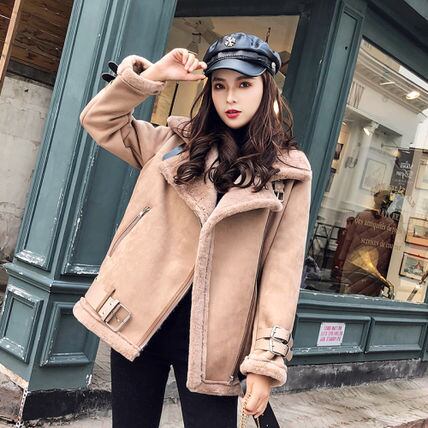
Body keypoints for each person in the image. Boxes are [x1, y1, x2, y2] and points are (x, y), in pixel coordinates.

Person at [73, 32, 312, 427]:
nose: (230, 97)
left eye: (244, 84)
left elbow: (281, 273)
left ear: (267, 89)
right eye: (220, 85)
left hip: (216, 341)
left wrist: (265, 360)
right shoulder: (174, 144)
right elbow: (100, 120)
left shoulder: (287, 173)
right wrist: (154, 74)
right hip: (140, 317)